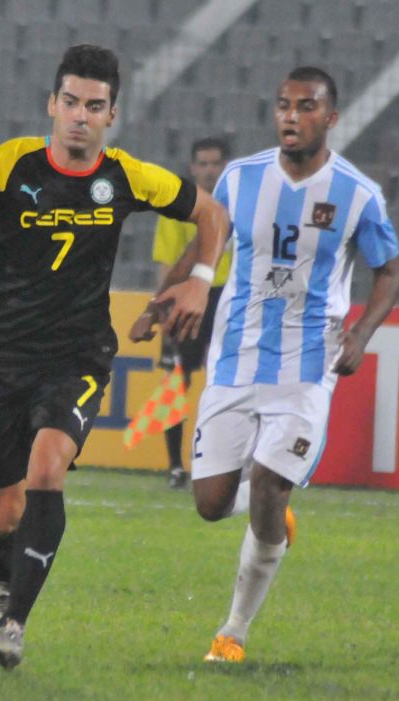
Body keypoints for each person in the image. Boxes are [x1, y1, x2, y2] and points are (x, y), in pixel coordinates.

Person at [0, 45, 229, 670]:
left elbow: (210, 212)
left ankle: (13, 627)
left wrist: (200, 278)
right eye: (72, 102)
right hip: (5, 360)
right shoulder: (9, 164)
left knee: (47, 467)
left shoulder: (127, 177)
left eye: (95, 106)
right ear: (52, 105)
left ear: (112, 114)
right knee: (3, 516)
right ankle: (4, 575)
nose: (81, 115)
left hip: (78, 356)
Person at [141, 67, 399, 663]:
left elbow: (389, 269)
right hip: (234, 360)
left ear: (330, 118)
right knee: (210, 504)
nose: (291, 116)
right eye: (283, 105)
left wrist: (360, 332)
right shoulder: (241, 177)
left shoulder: (357, 194)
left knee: (268, 486)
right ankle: (271, 509)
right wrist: (169, 295)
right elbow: (206, 243)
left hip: (307, 371)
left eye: (306, 107)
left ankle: (231, 633)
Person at [151, 137, 232, 489]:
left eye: (215, 163)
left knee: (227, 383)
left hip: (227, 296)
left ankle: (222, 463)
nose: (209, 170)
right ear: (192, 167)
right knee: (175, 382)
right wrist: (163, 307)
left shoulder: (235, 204)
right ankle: (174, 465)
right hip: (187, 295)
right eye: (203, 163)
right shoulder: (177, 207)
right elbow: (167, 263)